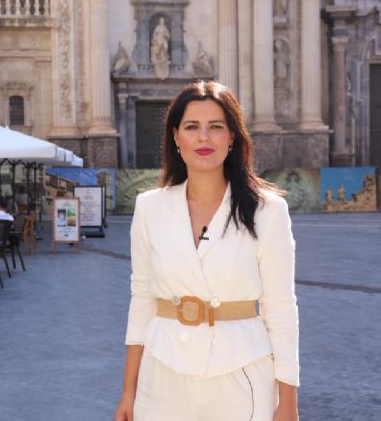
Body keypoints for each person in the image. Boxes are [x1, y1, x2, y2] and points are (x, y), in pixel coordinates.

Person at [115, 81, 299, 421]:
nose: (204, 138)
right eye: (192, 127)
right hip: (162, 379)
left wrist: (288, 402)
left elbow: (280, 308)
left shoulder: (268, 210)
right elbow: (141, 299)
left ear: (232, 137)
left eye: (216, 127)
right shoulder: (149, 208)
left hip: (240, 375)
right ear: (175, 137)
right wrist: (129, 391)